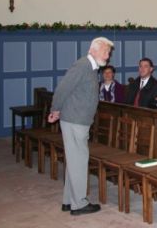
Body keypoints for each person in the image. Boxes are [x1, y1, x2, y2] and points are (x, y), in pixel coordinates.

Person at [48, 37, 114, 215]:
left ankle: (69, 201)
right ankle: (80, 203)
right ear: (93, 50)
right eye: (106, 51)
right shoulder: (83, 65)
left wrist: (58, 109)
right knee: (79, 161)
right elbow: (63, 87)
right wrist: (55, 108)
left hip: (76, 119)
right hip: (75, 120)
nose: (108, 56)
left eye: (108, 52)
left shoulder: (91, 68)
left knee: (74, 161)